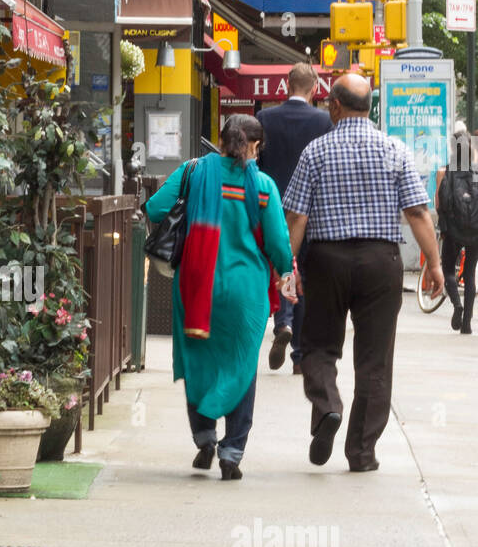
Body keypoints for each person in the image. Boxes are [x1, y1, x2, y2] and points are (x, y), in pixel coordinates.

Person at [283, 72, 444, 472]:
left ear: (335, 106)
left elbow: (297, 217)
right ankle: (361, 452)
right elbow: (418, 212)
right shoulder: (394, 150)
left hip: (326, 261)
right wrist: (435, 264)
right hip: (380, 264)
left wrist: (289, 265)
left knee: (319, 346)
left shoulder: (315, 152)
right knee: (375, 360)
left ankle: (327, 407)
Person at [144, 115, 296, 480]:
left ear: (222, 139)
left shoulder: (192, 173)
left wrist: (196, 213)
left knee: (200, 359)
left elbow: (154, 209)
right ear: (256, 146)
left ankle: (204, 438)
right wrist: (287, 274)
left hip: (197, 285)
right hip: (246, 292)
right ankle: (232, 452)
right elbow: (277, 243)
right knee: (241, 366)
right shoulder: (262, 186)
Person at [258, 61, 332, 373]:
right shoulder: (324, 121)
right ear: (314, 88)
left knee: (282, 265)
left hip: (272, 206)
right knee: (302, 277)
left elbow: (255, 159)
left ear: (286, 86)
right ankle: (300, 356)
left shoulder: (265, 117)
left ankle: (282, 322)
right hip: (309, 211)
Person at [436, 122, 478, 334]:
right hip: (475, 230)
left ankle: (456, 304)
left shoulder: (448, 171)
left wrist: (443, 226)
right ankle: (468, 324)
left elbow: (441, 201)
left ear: (453, 148)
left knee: (448, 270)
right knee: (470, 275)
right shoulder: (476, 171)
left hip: (453, 230)